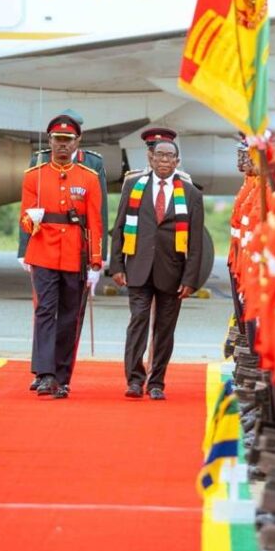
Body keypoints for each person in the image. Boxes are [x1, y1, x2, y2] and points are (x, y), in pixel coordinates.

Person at [109, 129, 205, 400]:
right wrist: (116, 265)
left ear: (177, 161)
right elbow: (119, 228)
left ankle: (157, 382)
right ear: (150, 158)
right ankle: (135, 380)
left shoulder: (190, 193)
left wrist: (190, 279)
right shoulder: (133, 186)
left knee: (165, 329)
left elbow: (196, 242)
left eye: (170, 156)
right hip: (138, 267)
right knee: (138, 321)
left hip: (172, 272)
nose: (164, 160)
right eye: (159, 155)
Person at [19, 110, 108, 391]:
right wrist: (29, 222)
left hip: (75, 254)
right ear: (50, 141)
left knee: (70, 316)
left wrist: (96, 259)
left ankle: (61, 377)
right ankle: (44, 373)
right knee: (45, 311)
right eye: (57, 139)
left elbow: (95, 219)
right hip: (43, 251)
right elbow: (24, 218)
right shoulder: (34, 176)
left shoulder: (89, 177)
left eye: (68, 140)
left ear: (77, 143)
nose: (62, 145)